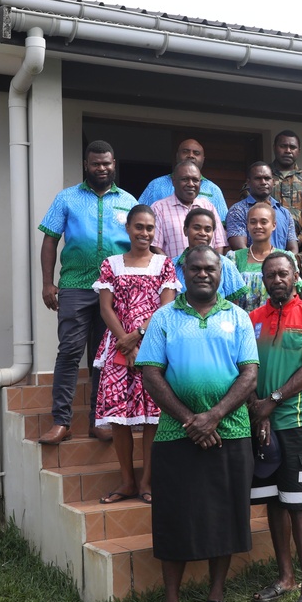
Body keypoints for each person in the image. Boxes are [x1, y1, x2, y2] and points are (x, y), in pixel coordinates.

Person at [135, 246, 259, 602]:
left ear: (221, 273)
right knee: (174, 518)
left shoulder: (237, 317)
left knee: (224, 516)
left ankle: (215, 600)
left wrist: (214, 417)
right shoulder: (163, 318)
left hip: (231, 431)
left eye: (212, 268)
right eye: (197, 268)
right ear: (183, 272)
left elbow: (249, 375)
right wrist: (191, 420)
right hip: (176, 433)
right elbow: (151, 374)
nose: (204, 273)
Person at [247, 253, 302, 602]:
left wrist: (272, 403)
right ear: (263, 279)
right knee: (273, 503)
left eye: (283, 273)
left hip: (294, 421)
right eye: (270, 274)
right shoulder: (252, 319)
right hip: (260, 423)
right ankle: (285, 577)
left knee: (299, 505)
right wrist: (256, 409)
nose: (277, 278)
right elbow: (245, 369)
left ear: (295, 276)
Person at [37, 140, 136, 445]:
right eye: (96, 164)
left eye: (107, 163)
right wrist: (47, 283)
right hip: (75, 286)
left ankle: (100, 421)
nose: (102, 168)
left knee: (103, 358)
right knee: (69, 352)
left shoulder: (129, 201)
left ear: (114, 163)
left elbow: (139, 244)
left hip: (114, 290)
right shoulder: (66, 198)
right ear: (86, 165)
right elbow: (50, 240)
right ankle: (61, 422)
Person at [91, 206, 180, 505]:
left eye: (149, 228)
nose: (144, 233)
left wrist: (137, 338)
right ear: (128, 228)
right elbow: (106, 308)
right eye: (139, 227)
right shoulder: (111, 264)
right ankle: (127, 481)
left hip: (153, 345)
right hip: (118, 346)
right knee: (119, 418)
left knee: (153, 417)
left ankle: (147, 482)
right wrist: (124, 342)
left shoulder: (164, 264)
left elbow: (165, 308)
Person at [227, 203, 299, 311]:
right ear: (247, 225)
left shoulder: (286, 257)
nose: (258, 226)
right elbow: (229, 300)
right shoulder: (234, 258)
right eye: (253, 222)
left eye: (264, 222)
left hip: (278, 321)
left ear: (274, 225)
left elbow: (293, 298)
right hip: (243, 324)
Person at [137, 138, 229, 221]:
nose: (190, 155)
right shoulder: (156, 185)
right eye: (186, 151)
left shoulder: (213, 190)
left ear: (203, 159)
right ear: (177, 156)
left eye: (196, 153)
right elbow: (138, 217)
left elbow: (223, 226)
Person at [150, 161, 226, 259]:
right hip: (173, 272)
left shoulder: (209, 207)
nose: (191, 184)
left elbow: (219, 245)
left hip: (207, 271)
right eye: (185, 179)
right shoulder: (158, 208)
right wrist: (174, 269)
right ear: (174, 181)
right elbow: (155, 247)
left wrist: (211, 266)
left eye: (195, 180)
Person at [260, 130, 302, 246]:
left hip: (299, 251)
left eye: (292, 147)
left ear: (298, 151)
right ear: (274, 147)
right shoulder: (261, 176)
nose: (288, 150)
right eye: (283, 146)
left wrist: (296, 242)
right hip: (264, 247)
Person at [173, 208, 248, 303]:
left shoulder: (225, 264)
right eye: (196, 228)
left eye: (208, 229)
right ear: (185, 230)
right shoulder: (172, 265)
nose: (203, 233)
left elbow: (234, 303)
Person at [226, 162, 298, 252]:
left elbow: (293, 249)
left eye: (267, 178)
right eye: (258, 178)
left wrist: (280, 264)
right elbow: (240, 249)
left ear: (273, 181)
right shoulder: (237, 210)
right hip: (250, 265)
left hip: (281, 265)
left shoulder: (285, 213)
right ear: (248, 182)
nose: (263, 182)